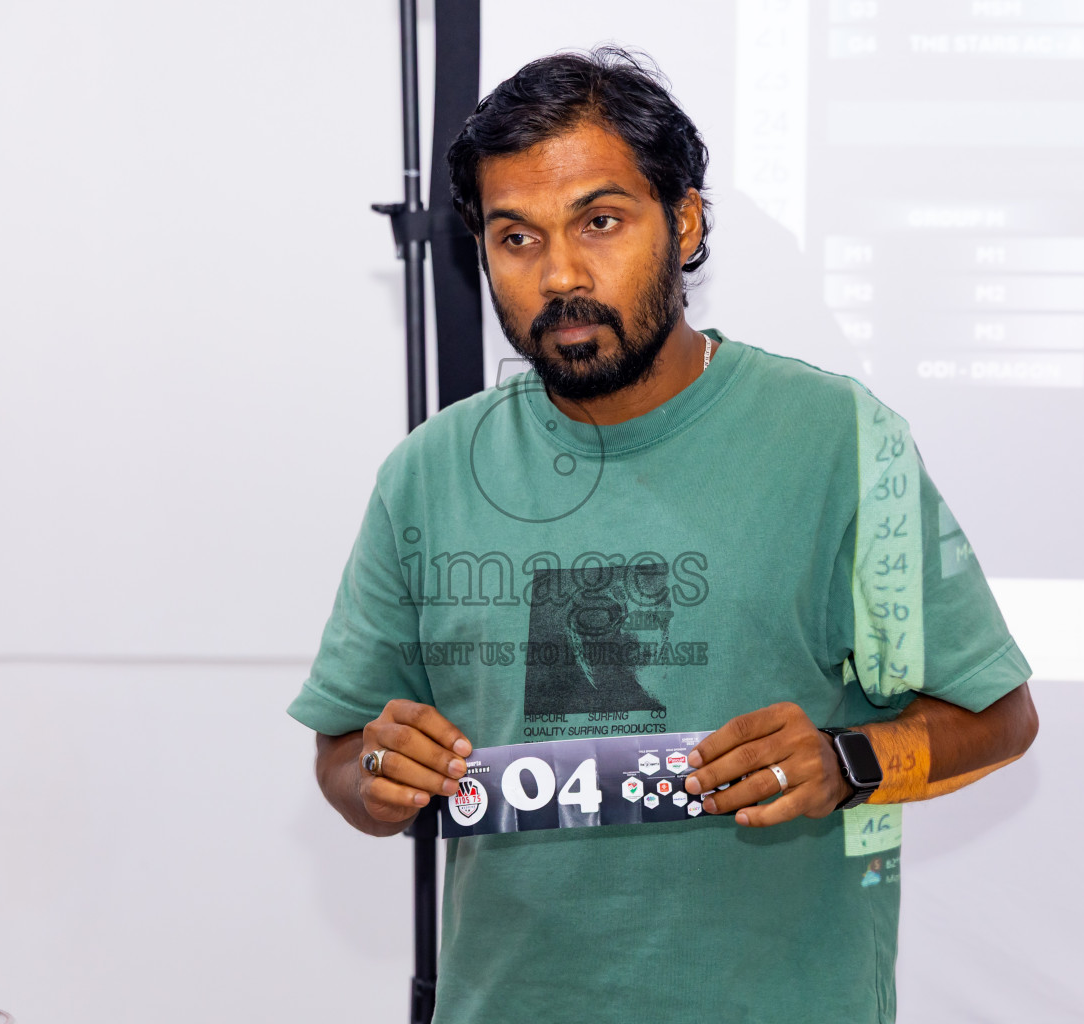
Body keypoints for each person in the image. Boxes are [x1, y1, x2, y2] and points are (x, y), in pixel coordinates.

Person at [289, 47, 1038, 1024]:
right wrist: (377, 775)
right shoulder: (427, 473)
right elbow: (345, 756)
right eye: (516, 237)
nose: (560, 274)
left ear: (684, 222)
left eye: (600, 222)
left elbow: (1000, 718)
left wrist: (847, 761)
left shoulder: (839, 441)